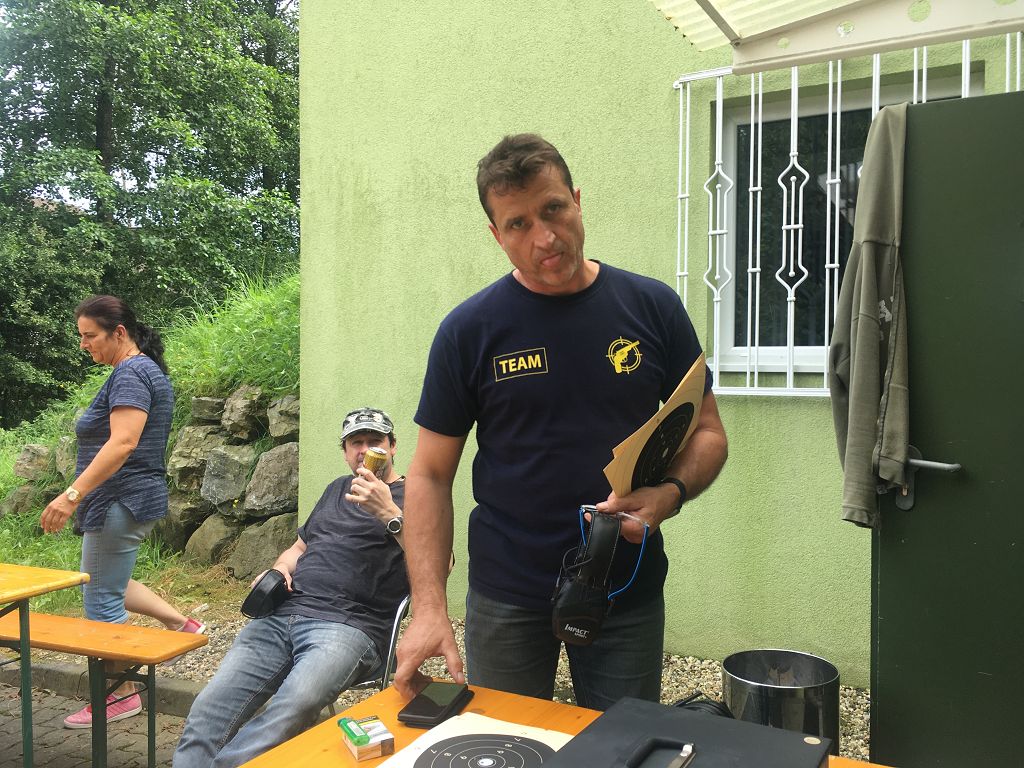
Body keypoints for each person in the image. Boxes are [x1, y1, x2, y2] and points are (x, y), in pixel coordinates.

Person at [394, 134, 728, 712]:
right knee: (505, 743)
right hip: (506, 594)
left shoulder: (653, 308)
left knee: (621, 746)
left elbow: (708, 432)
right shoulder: (468, 331)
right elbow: (427, 475)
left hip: (625, 585)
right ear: (496, 236)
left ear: (576, 200)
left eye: (553, 209)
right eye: (518, 224)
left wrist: (669, 494)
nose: (545, 237)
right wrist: (428, 608)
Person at [173, 407, 409, 768]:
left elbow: (441, 564)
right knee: (209, 708)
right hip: (282, 613)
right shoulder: (336, 489)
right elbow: (300, 548)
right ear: (345, 452)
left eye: (374, 441)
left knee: (295, 704)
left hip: (349, 626)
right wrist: (280, 568)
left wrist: (390, 514)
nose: (364, 450)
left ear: (392, 447)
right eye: (355, 442)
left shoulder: (413, 495)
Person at [39, 294, 205, 729]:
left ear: (118, 332)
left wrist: (71, 495)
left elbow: (123, 442)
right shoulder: (140, 369)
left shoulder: (131, 372)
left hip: (119, 498)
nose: (83, 344)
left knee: (100, 600)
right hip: (129, 498)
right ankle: (180, 624)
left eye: (89, 336)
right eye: (81, 336)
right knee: (102, 579)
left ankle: (120, 695)